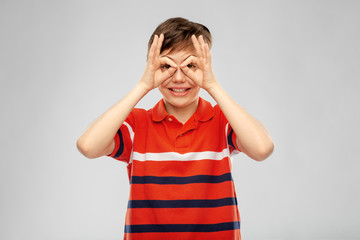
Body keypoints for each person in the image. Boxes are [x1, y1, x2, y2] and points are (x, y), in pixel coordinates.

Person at [77, 17, 274, 240]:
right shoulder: (138, 124)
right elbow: (88, 146)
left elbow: (262, 148)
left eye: (191, 66)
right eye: (166, 66)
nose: (179, 77)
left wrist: (212, 85)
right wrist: (142, 86)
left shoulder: (223, 120)